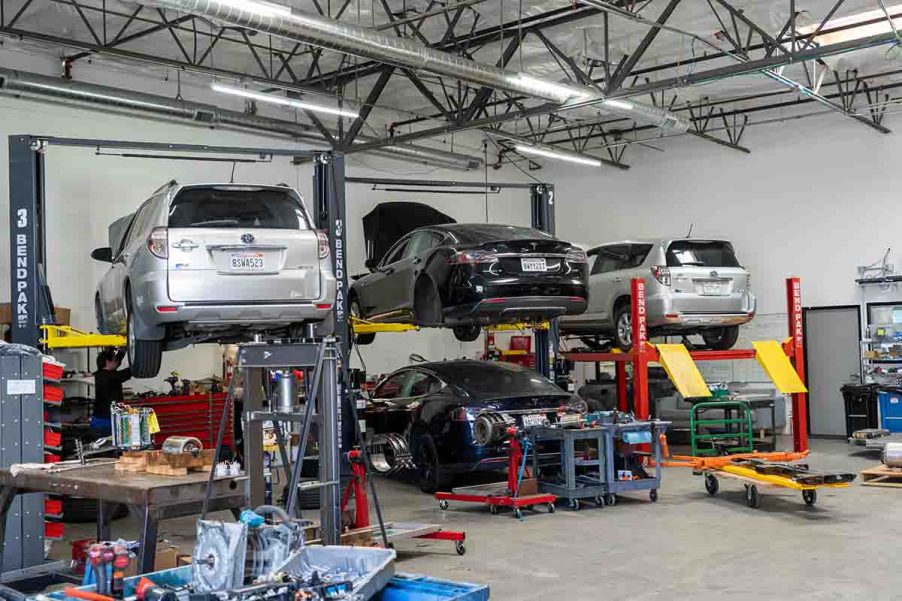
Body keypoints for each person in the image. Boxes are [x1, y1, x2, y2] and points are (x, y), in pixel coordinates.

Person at [92, 348, 131, 436]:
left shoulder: (97, 375)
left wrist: (121, 348)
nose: (117, 362)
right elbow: (130, 371)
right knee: (112, 447)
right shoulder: (111, 377)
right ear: (107, 361)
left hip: (97, 421)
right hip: (107, 423)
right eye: (115, 360)